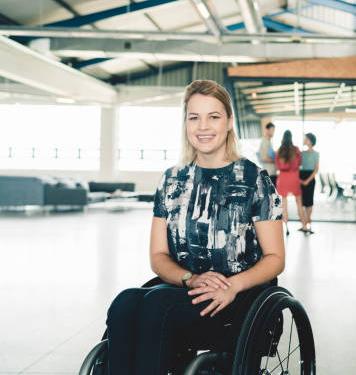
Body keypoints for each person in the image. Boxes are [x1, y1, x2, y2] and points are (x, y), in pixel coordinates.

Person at [105, 80, 284, 375]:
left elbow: (276, 258)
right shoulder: (173, 180)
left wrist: (232, 286)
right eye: (194, 117)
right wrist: (190, 278)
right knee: (125, 303)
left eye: (213, 116)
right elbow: (159, 256)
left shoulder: (254, 179)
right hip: (186, 289)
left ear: (228, 122)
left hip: (239, 298)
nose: (203, 126)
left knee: (157, 306)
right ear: (185, 123)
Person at [275, 130, 308, 235]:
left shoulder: (279, 151)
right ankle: (304, 225)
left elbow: (278, 166)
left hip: (283, 178)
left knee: (284, 205)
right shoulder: (296, 150)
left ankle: (287, 228)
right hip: (294, 177)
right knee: (299, 203)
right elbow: (299, 163)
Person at [299, 133, 319, 234]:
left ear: (310, 141)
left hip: (310, 179)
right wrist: (300, 180)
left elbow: (316, 169)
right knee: (302, 202)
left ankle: (308, 223)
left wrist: (307, 181)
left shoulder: (316, 154)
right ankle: (304, 225)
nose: (304, 140)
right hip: (301, 177)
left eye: (306, 139)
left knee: (309, 202)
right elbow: (297, 167)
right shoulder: (301, 153)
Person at [258, 122, 277, 186]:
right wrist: (276, 161)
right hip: (269, 173)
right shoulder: (265, 141)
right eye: (272, 130)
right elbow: (263, 158)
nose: (273, 132)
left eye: (274, 130)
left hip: (272, 172)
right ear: (267, 130)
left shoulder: (269, 141)